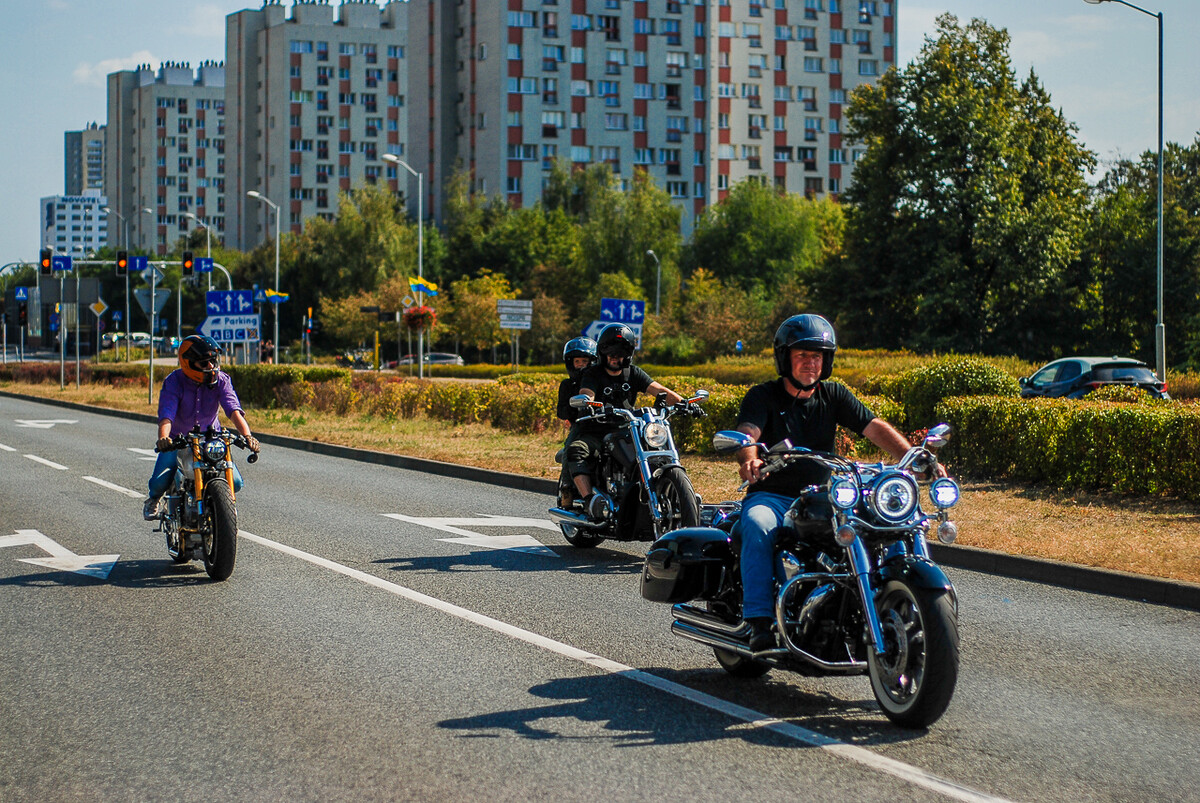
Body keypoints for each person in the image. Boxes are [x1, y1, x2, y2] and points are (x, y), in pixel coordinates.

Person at [733, 314, 940, 652]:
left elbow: (873, 426)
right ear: (785, 358)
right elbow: (747, 434)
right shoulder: (763, 396)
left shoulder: (834, 395)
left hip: (822, 497)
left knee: (878, 526)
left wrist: (914, 456)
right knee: (758, 525)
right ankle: (758, 620)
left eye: (817, 356)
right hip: (773, 495)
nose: (810, 363)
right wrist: (750, 459)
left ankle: (880, 602)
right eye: (802, 355)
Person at [567, 323, 683, 520]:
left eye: (620, 353)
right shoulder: (593, 373)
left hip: (628, 430)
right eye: (610, 353)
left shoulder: (633, 373)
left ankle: (673, 494)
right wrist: (587, 402)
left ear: (628, 354)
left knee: (657, 450)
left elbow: (659, 390)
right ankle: (590, 500)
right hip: (597, 431)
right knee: (577, 450)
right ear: (602, 353)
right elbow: (587, 392)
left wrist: (684, 403)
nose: (615, 357)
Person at [143, 335, 260, 520]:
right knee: (159, 481)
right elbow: (167, 414)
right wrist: (164, 438)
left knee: (236, 483)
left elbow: (233, 410)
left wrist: (248, 436)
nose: (210, 366)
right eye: (204, 363)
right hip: (179, 440)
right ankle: (154, 499)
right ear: (188, 363)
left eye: (213, 361)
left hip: (211, 439)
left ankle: (222, 510)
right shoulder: (174, 381)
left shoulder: (222, 380)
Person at [555, 337, 598, 507]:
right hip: (580, 425)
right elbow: (561, 411)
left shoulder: (598, 381)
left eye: (584, 361)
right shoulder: (567, 385)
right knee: (570, 447)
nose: (580, 365)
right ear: (570, 363)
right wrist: (575, 409)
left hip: (601, 424)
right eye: (577, 361)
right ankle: (566, 487)